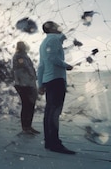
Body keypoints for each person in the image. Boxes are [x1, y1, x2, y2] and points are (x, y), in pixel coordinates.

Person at [37, 21, 75, 154]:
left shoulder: (44, 43)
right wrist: (66, 66)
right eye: (56, 25)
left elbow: (41, 65)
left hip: (49, 80)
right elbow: (53, 58)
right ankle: (55, 144)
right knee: (54, 113)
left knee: (49, 113)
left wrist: (40, 84)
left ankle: (49, 142)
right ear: (52, 28)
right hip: (57, 80)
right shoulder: (53, 40)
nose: (60, 26)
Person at [12, 41, 40, 135]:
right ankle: (26, 127)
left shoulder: (20, 56)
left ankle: (27, 126)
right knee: (28, 105)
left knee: (28, 105)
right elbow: (28, 68)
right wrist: (34, 76)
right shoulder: (21, 56)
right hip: (26, 84)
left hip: (23, 83)